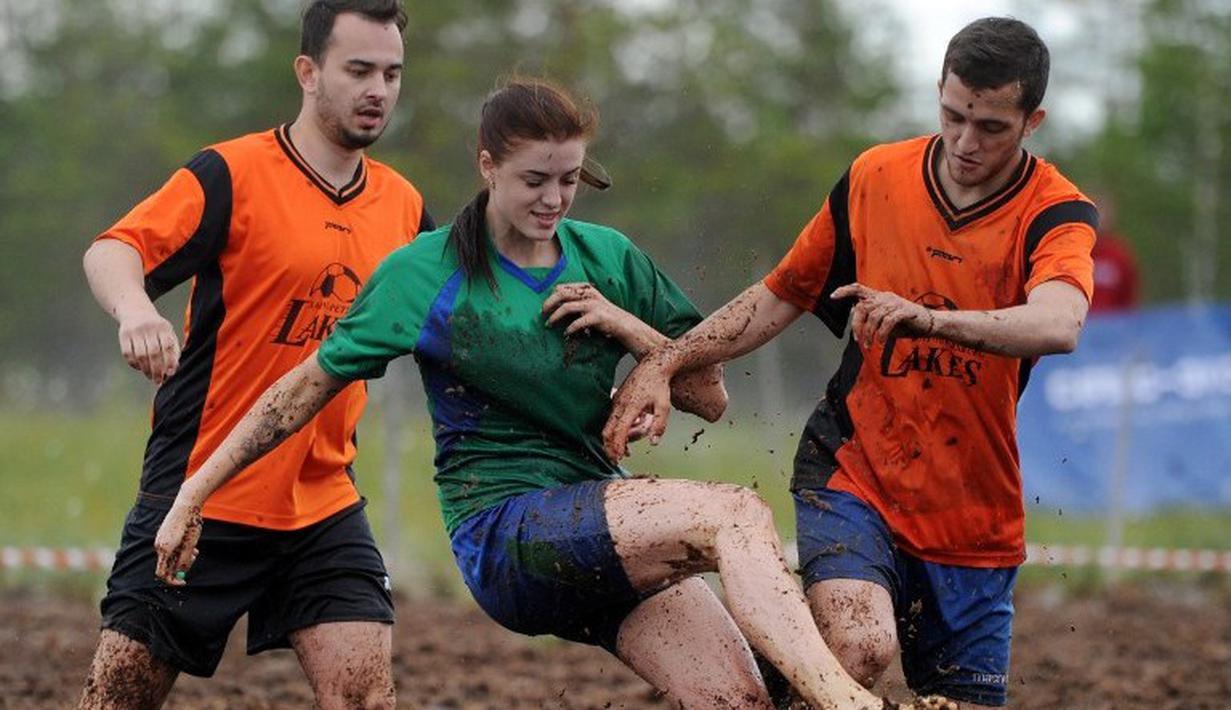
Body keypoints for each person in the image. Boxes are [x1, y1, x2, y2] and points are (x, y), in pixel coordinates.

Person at [147, 77, 946, 710]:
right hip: (506, 534)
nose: (553, 200)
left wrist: (629, 329)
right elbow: (299, 392)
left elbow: (709, 397)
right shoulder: (425, 273)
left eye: (569, 180)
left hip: (600, 522)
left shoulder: (606, 256)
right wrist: (193, 495)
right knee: (731, 511)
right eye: (534, 180)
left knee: (734, 700)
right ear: (487, 166)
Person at [604, 17, 1097, 709]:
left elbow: (1059, 322)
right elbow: (780, 295)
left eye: (990, 127)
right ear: (938, 93)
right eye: (952, 116)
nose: (964, 142)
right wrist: (668, 360)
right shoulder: (876, 177)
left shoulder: (1055, 212)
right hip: (853, 471)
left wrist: (927, 318)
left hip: (974, 519)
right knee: (858, 645)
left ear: (1031, 121)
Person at [78, 2, 432, 708]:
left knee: (366, 694)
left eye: (391, 74)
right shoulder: (230, 174)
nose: (378, 90)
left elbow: (460, 323)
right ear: (307, 71)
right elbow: (113, 249)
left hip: (323, 503)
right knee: (118, 696)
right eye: (358, 70)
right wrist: (137, 311)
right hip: (201, 495)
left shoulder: (403, 206)